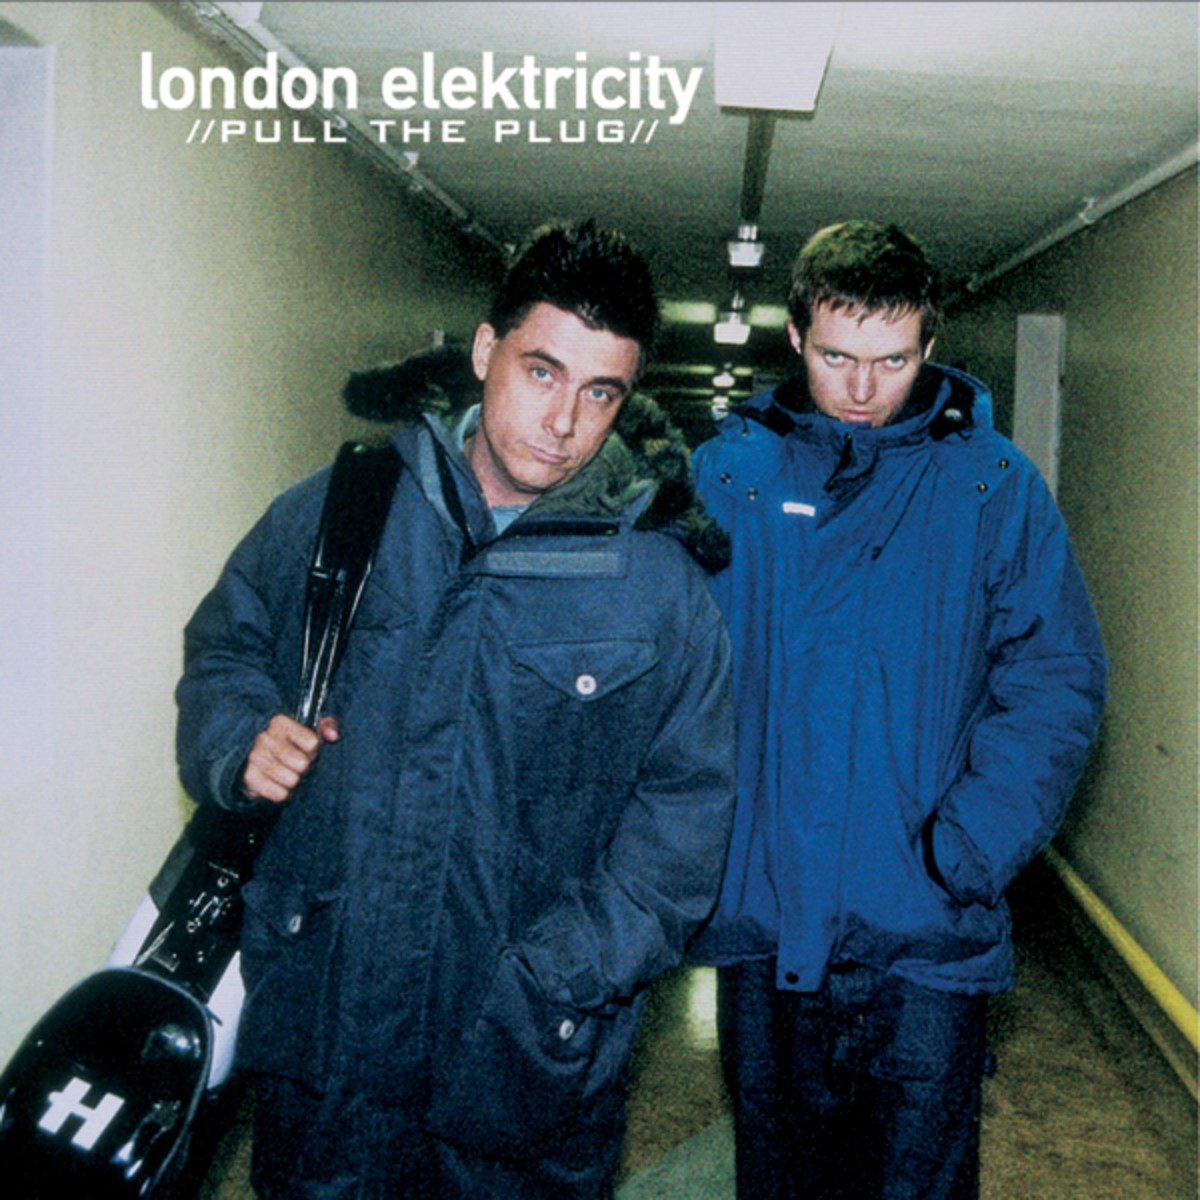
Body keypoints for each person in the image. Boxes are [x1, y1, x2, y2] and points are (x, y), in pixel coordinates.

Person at [175, 219, 737, 1199]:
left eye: (600, 392)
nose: (563, 421)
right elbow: (226, 646)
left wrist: (565, 973)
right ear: (485, 352)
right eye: (542, 372)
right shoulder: (342, 510)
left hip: (524, 1060)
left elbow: (686, 817)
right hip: (329, 1033)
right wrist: (240, 738)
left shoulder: (660, 589)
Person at [688, 220, 1107, 1199]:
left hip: (927, 930)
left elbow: (1055, 676)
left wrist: (966, 849)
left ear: (930, 345)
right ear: (795, 336)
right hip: (763, 917)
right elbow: (657, 668)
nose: (863, 390)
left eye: (893, 361)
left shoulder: (993, 489)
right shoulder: (729, 481)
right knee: (781, 1180)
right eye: (837, 357)